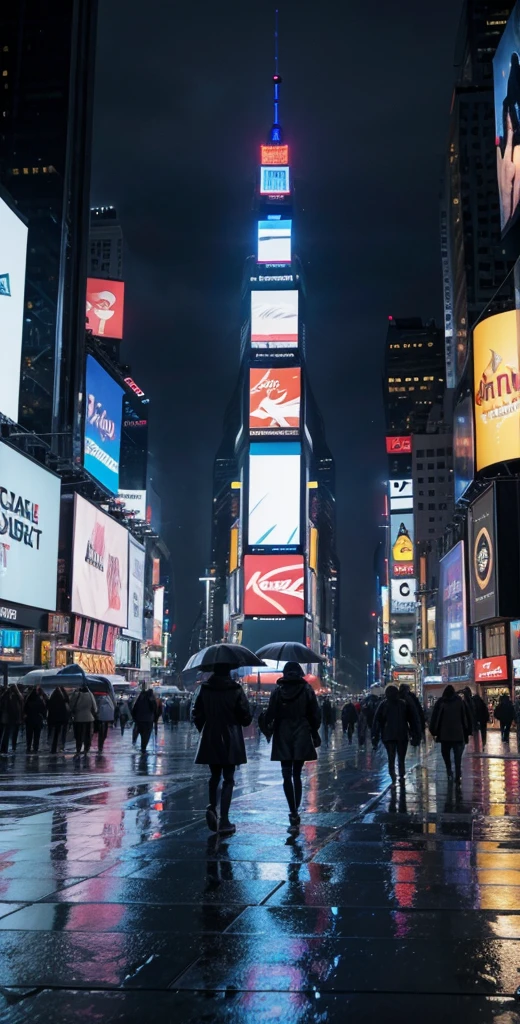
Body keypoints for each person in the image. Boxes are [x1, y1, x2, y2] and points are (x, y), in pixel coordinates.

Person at [192, 663, 252, 835]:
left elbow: (196, 713)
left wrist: (205, 728)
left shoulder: (205, 689)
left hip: (211, 735)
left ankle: (212, 805)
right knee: (228, 778)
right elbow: (245, 717)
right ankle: (224, 819)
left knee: (214, 775)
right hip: (231, 737)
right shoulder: (236, 689)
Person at [263, 663, 321, 827]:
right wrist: (313, 730)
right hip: (301, 733)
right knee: (297, 774)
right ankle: (296, 809)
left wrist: (266, 724)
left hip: (283, 734)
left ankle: (292, 810)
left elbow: (270, 714)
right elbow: (315, 714)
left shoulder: (278, 690)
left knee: (286, 775)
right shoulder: (307, 689)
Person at [372, 684, 418, 784]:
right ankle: (401, 775)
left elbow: (377, 721)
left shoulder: (384, 704)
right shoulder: (403, 704)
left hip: (388, 735)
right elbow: (412, 719)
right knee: (401, 757)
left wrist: (375, 736)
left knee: (391, 757)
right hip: (402, 735)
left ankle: (392, 775)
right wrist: (414, 733)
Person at [429, 684, 471, 785]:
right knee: (457, 757)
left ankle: (449, 771)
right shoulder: (460, 702)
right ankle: (457, 773)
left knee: (446, 755)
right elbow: (466, 717)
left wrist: (433, 731)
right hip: (458, 734)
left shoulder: (441, 702)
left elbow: (435, 717)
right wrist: (468, 731)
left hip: (445, 735)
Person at [69, 683, 98, 755]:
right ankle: (86, 749)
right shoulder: (90, 695)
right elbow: (95, 708)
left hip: (78, 718)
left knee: (78, 735)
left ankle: (78, 748)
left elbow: (71, 705)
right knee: (88, 735)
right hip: (89, 718)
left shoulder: (76, 695)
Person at [131, 685, 157, 753]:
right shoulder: (151, 698)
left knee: (142, 734)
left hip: (140, 720)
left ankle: (142, 747)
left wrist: (134, 718)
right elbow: (154, 708)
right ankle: (143, 747)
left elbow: (134, 709)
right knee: (146, 735)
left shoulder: (140, 699)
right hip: (148, 720)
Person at [0, 683, 24, 754]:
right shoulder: (16, 696)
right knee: (8, 733)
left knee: (5, 733)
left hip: (6, 716)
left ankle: (4, 748)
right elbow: (16, 708)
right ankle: (5, 749)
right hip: (11, 717)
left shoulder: (6, 695)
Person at [24, 686, 48, 754]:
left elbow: (25, 710)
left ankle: (28, 747)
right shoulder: (39, 701)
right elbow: (43, 710)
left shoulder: (28, 700)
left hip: (29, 720)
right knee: (37, 735)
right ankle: (35, 747)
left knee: (29, 735)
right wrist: (44, 717)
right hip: (38, 720)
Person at [48, 686, 70, 753]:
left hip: (53, 719)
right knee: (61, 733)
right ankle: (61, 746)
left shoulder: (52, 698)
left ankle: (53, 748)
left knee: (53, 734)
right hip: (61, 719)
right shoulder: (63, 699)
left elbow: (49, 707)